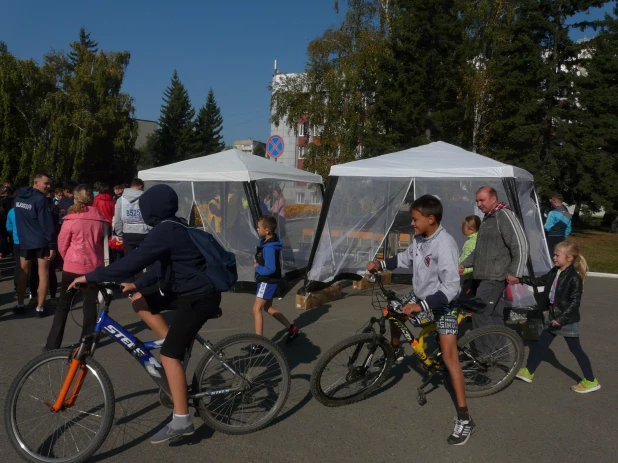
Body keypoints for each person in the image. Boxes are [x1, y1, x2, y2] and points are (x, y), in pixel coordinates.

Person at [69, 184, 222, 444]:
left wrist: (90, 275)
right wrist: (136, 285)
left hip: (198, 297)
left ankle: (182, 420)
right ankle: (176, 346)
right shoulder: (174, 226)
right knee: (138, 300)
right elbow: (161, 267)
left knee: (168, 354)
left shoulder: (166, 230)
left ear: (151, 209)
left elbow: (132, 263)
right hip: (188, 289)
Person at [367, 195, 474, 445]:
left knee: (450, 359)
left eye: (415, 220)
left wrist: (422, 305)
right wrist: (380, 264)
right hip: (422, 295)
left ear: (430, 219)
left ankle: (465, 418)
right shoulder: (420, 239)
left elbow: (451, 288)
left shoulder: (444, 245)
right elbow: (406, 258)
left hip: (443, 304)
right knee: (393, 310)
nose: (412, 224)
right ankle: (395, 351)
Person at [516, 241, 600, 393]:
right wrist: (520, 279)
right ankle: (529, 371)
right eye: (553, 254)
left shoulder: (574, 278)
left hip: (566, 319)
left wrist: (561, 319)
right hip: (554, 316)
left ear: (569, 258)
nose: (554, 257)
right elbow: (540, 281)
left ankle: (591, 380)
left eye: (557, 255)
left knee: (575, 349)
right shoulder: (555, 271)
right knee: (541, 344)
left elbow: (575, 303)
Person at [45, 185, 107, 350]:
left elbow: (62, 243)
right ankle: (85, 344)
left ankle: (52, 344)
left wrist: (67, 259)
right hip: (93, 267)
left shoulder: (71, 219)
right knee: (89, 305)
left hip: (72, 267)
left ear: (76, 198)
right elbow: (102, 243)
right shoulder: (100, 219)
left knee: (63, 305)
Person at [459, 186, 529, 328]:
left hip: (495, 277)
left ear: (493, 199)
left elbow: (520, 244)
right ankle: (497, 349)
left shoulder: (504, 215)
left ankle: (484, 350)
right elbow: (479, 250)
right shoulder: (487, 219)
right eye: (477, 201)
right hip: (483, 276)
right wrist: (464, 264)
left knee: (480, 313)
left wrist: (516, 272)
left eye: (482, 200)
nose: (479, 204)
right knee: (495, 316)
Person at [244, 215, 298, 353]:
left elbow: (271, 268)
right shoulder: (269, 242)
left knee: (256, 309)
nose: (257, 229)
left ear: (267, 230)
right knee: (267, 307)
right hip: (270, 281)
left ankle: (259, 344)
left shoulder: (269, 247)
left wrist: (257, 267)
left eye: (259, 227)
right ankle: (292, 329)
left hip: (267, 281)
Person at [13, 173, 57, 316]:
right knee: (43, 274)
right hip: (41, 241)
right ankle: (40, 308)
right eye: (46, 183)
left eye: (49, 183)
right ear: (36, 183)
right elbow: (46, 223)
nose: (49, 186)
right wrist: (52, 244)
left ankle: (20, 305)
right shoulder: (40, 199)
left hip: (24, 240)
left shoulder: (19, 196)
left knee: (23, 273)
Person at [113, 178, 151, 258]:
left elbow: (118, 219)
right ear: (140, 186)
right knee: (146, 259)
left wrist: (119, 233)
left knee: (129, 260)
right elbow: (150, 215)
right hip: (143, 231)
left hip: (127, 231)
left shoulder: (121, 200)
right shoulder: (147, 198)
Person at [459, 215, 481, 297]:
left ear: (471, 230)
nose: (461, 230)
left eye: (463, 228)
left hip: (471, 278)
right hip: (466, 276)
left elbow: (475, 261)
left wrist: (464, 270)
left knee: (465, 298)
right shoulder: (471, 240)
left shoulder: (473, 243)